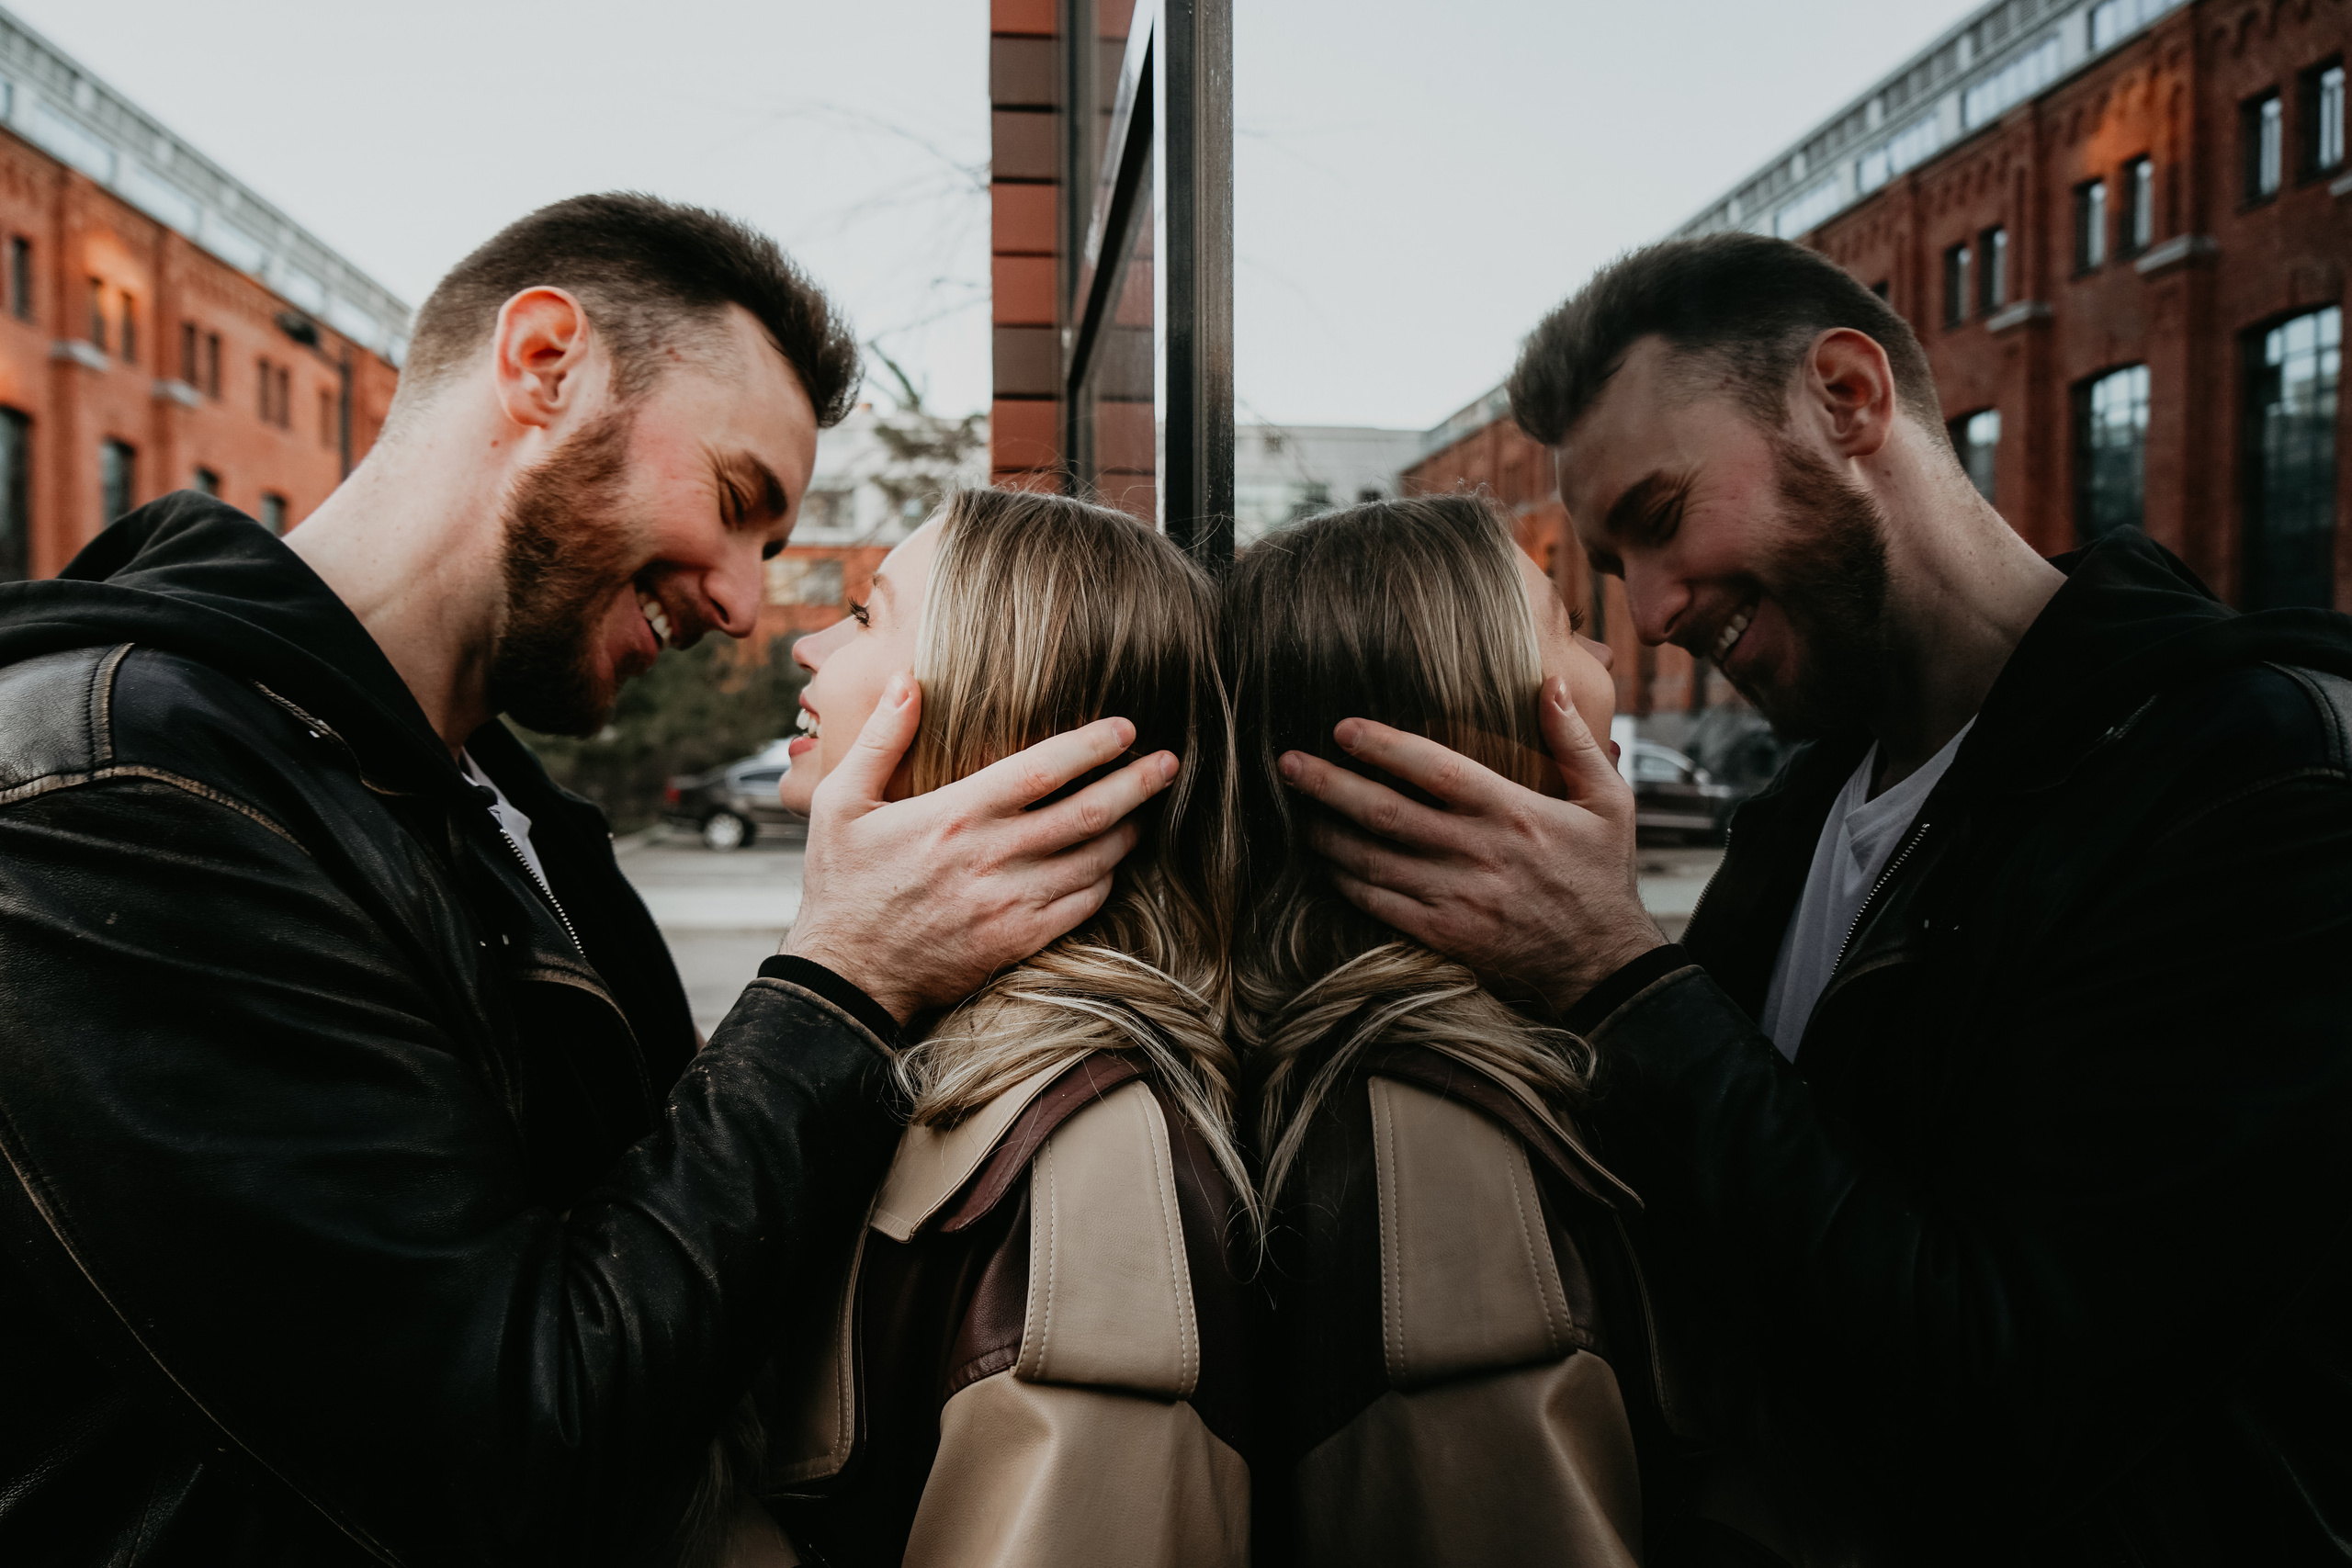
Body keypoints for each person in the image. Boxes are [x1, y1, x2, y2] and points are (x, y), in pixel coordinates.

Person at [0, 196, 1176, 1567]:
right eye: (738, 504)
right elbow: (498, 1456)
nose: (746, 603)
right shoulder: (124, 786)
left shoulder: (493, 803)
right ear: (545, 363)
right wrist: (840, 983)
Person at [1280, 232, 2352, 1563]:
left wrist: (1619, 975)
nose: (1655, 610)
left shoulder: (2251, 776)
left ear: (1849, 399)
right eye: (1613, 574)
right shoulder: (1801, 813)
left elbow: (2018, 1397)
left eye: (1661, 519)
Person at [686, 488, 1252, 1568]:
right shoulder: (916, 1046)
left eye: (861, 614)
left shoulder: (1091, 1170)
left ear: (995, 702)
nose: (804, 643)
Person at [1229, 494, 1718, 1566]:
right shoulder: (1441, 1157)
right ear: (1474, 716)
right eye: (1563, 623)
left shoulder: (1380, 1073)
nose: (1609, 642)